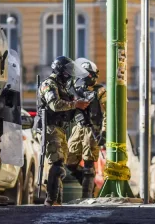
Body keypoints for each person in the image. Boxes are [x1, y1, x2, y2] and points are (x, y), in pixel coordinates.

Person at [37, 56, 90, 206]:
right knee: (57, 163)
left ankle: (57, 201)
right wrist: (75, 104)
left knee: (60, 165)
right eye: (67, 71)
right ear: (60, 70)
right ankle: (51, 200)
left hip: (60, 128)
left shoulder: (62, 86)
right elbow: (55, 105)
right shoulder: (49, 84)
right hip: (51, 127)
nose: (69, 74)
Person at [65, 58, 106, 198]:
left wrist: (104, 132)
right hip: (78, 127)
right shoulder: (76, 90)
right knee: (69, 160)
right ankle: (88, 183)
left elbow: (107, 113)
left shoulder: (100, 91)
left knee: (89, 163)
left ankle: (86, 196)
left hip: (92, 129)